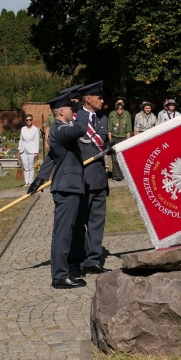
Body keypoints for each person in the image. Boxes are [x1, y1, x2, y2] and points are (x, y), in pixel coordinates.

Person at [29, 91, 91, 289]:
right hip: (67, 188)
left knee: (68, 232)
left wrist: (40, 178)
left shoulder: (61, 129)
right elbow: (82, 127)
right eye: (71, 109)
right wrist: (82, 107)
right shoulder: (61, 129)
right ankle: (59, 277)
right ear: (62, 111)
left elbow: (55, 157)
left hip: (69, 186)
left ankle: (68, 270)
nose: (74, 112)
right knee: (63, 233)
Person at [73, 81, 111, 276]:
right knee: (79, 222)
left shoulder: (103, 119)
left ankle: (93, 260)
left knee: (97, 221)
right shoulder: (75, 118)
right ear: (88, 99)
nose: (103, 101)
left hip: (98, 177)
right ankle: (78, 259)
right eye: (99, 97)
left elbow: (104, 144)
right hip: (81, 178)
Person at [108, 97, 132, 181]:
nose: (119, 109)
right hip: (114, 138)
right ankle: (115, 176)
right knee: (114, 158)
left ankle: (122, 176)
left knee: (122, 158)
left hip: (123, 138)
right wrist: (110, 140)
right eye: (118, 107)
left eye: (121, 107)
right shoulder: (112, 114)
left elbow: (128, 129)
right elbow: (110, 129)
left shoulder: (127, 114)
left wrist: (128, 141)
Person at [18, 115, 41, 187]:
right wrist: (19, 149)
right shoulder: (23, 129)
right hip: (23, 149)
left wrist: (36, 152)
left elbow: (37, 141)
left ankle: (31, 182)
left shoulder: (35, 129)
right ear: (25, 121)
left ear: (32, 120)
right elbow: (21, 140)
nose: (29, 121)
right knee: (25, 167)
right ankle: (26, 182)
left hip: (32, 149)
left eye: (30, 120)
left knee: (31, 167)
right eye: (27, 120)